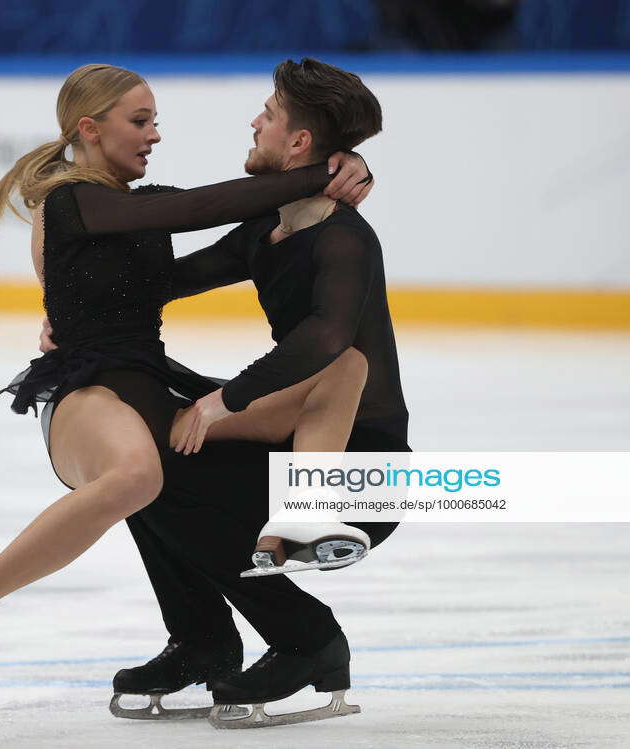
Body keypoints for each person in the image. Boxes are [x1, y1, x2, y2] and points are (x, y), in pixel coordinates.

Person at [0, 63, 372, 667]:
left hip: (155, 387)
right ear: (91, 128)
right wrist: (325, 171)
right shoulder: (73, 202)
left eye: (155, 121)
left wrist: (343, 171)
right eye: (139, 121)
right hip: (88, 391)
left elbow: (211, 247)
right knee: (138, 478)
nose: (154, 134)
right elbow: (205, 207)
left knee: (343, 369)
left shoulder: (139, 208)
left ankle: (302, 522)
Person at [60, 57, 410, 729]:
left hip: (356, 466)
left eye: (271, 115)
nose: (255, 122)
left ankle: (309, 640)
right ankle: (202, 638)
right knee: (137, 457)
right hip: (291, 434)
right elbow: (169, 278)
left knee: (172, 476)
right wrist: (78, 312)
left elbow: (328, 337)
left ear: (300, 144)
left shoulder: (344, 238)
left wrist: (228, 399)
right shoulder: (267, 228)